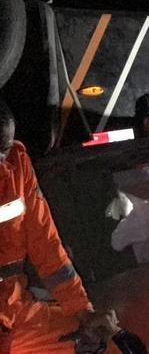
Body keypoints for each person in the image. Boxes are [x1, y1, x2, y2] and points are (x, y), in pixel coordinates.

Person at [0, 99, 120, 353]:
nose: (2, 162)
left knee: (100, 341)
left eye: (4, 149)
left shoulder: (17, 163)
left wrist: (82, 310)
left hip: (13, 313)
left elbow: (46, 244)